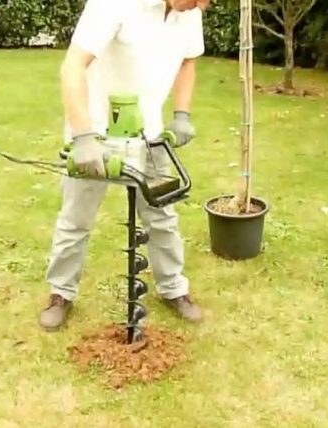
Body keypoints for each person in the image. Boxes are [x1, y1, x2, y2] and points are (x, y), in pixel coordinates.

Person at [40, 0, 209, 330]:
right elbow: (72, 66)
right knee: (76, 220)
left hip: (149, 134)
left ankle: (173, 287)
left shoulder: (190, 12)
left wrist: (182, 114)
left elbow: (188, 61)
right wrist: (83, 135)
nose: (202, 6)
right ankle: (61, 293)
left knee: (161, 216)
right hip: (95, 134)